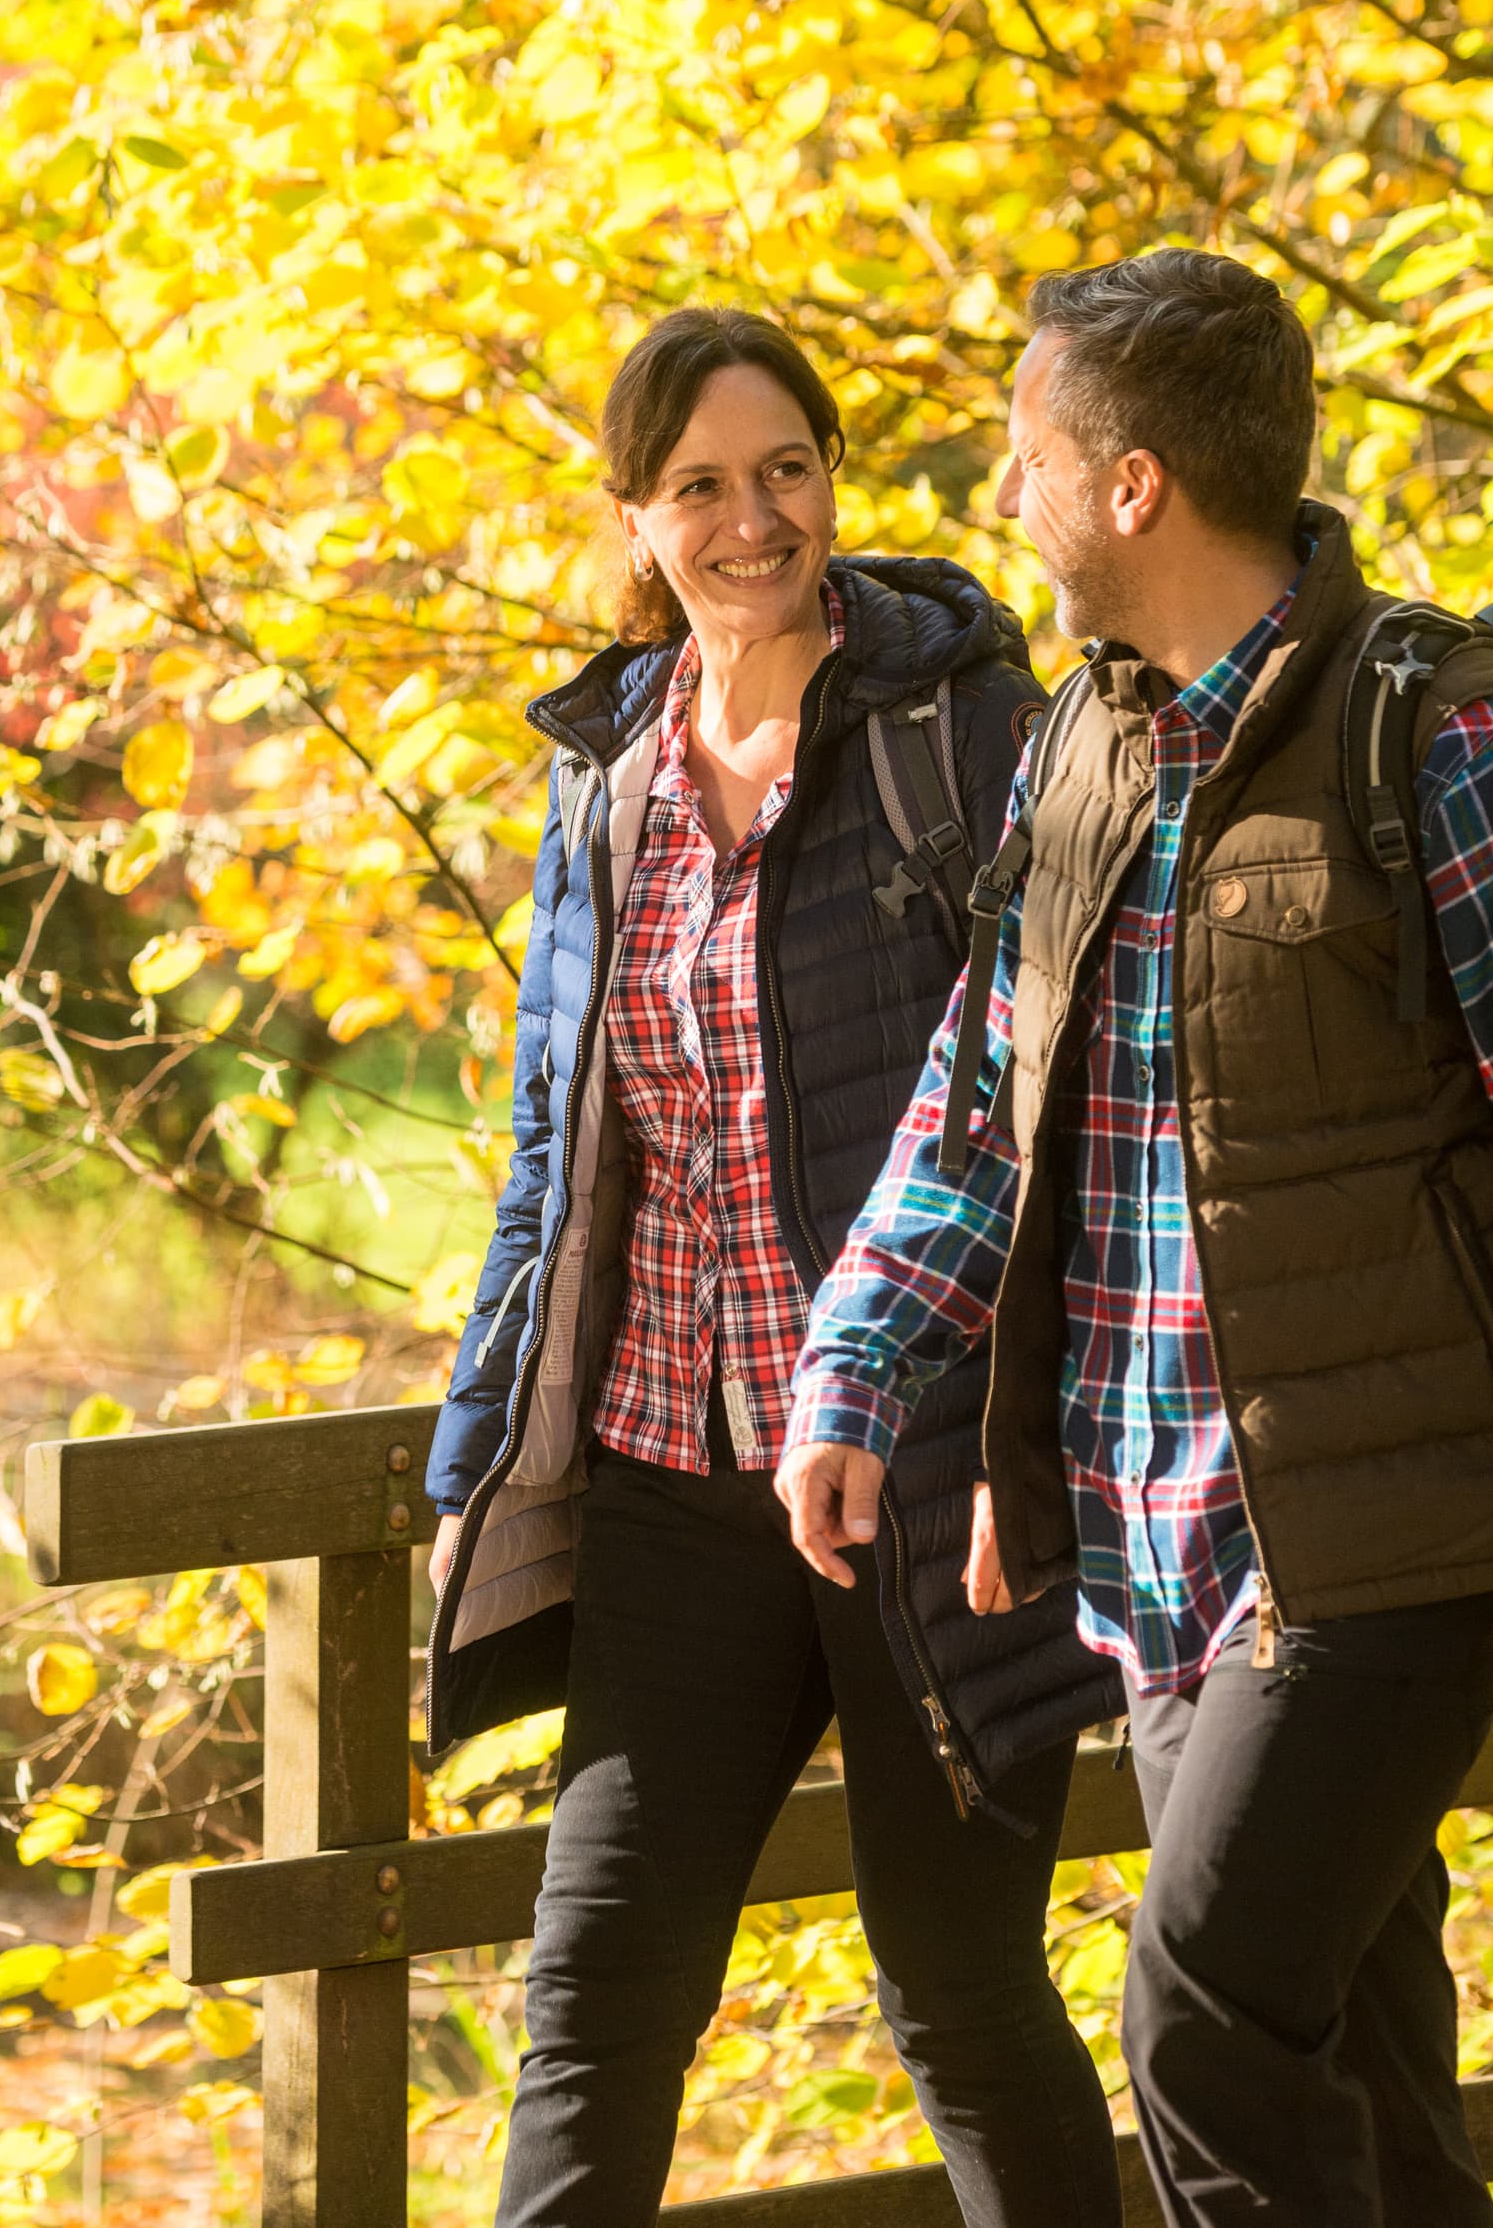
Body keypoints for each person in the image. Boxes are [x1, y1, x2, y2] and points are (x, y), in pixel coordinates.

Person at [775, 246, 1493, 2226]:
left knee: (1208, 2018)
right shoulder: (1081, 752)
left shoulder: (1469, 758)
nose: (1001, 493)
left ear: (1132, 483)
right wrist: (858, 1363)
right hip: (1158, 1532)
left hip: (1398, 1523)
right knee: (1368, 2066)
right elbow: (982, 1110)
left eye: (1025, 452)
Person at [425, 305, 1123, 2228]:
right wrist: (484, 1452)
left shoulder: (961, 732)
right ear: (637, 518)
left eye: (789, 469)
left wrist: (1017, 1433)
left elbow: (1061, 1096)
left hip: (918, 1481)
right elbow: (560, 1159)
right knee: (595, 1994)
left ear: (835, 477)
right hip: (672, 1479)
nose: (756, 520)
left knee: (960, 1994)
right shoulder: (609, 783)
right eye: (704, 487)